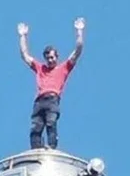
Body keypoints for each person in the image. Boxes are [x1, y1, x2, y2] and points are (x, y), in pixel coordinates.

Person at [17, 18, 85, 149]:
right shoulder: (40, 68)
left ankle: (51, 147)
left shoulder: (64, 68)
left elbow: (78, 50)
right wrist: (23, 36)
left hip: (53, 99)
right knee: (36, 127)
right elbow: (25, 55)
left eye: (52, 57)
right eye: (48, 58)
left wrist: (79, 31)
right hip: (39, 100)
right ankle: (36, 150)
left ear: (57, 57)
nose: (50, 60)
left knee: (51, 123)